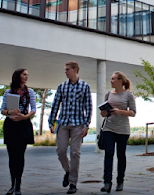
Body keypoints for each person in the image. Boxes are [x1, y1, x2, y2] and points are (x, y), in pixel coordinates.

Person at [48, 61, 92, 194]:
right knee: (60, 151)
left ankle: (73, 183)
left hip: (78, 124)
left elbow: (88, 107)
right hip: (63, 124)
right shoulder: (61, 87)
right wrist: (51, 122)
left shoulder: (85, 86)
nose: (65, 72)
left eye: (67, 69)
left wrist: (86, 125)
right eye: (65, 69)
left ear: (75, 70)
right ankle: (68, 171)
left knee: (75, 153)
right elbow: (55, 105)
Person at [1, 69, 36, 195]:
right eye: (24, 74)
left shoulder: (30, 92)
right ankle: (12, 184)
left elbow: (33, 109)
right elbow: (3, 110)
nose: (26, 76)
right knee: (12, 156)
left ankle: (18, 186)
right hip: (10, 124)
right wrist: (11, 112)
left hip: (23, 124)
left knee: (20, 156)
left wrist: (24, 117)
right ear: (17, 76)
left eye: (27, 74)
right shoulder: (8, 92)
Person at [100, 71, 136, 193]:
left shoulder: (128, 95)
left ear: (120, 81)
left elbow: (133, 112)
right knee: (108, 154)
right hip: (109, 128)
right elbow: (104, 112)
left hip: (123, 129)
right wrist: (104, 113)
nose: (111, 81)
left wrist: (120, 111)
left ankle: (120, 181)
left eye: (113, 79)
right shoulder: (108, 94)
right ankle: (107, 183)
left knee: (121, 155)